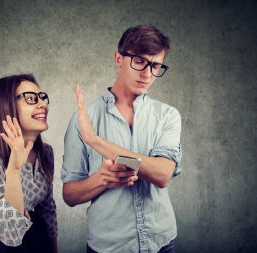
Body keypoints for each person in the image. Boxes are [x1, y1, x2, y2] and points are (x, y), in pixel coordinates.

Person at [61, 25, 182, 253]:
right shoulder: (84, 119)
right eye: (139, 61)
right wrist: (102, 179)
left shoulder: (168, 115)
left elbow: (162, 174)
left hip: (161, 244)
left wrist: (95, 141)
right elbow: (70, 195)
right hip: (108, 247)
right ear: (119, 58)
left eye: (155, 66)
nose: (147, 74)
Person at [0, 74, 58, 253]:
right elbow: (9, 233)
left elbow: (47, 210)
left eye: (42, 97)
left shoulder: (46, 153)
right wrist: (14, 168)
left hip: (32, 238)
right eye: (31, 99)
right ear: (7, 106)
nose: (43, 104)